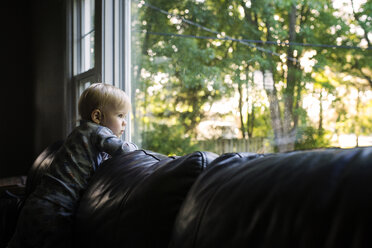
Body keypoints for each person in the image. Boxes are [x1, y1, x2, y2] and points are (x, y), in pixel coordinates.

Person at [8, 83, 138, 248]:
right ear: (97, 117)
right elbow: (124, 150)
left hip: (36, 204)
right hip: (56, 210)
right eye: (120, 116)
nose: (124, 123)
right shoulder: (98, 131)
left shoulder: (78, 133)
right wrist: (136, 148)